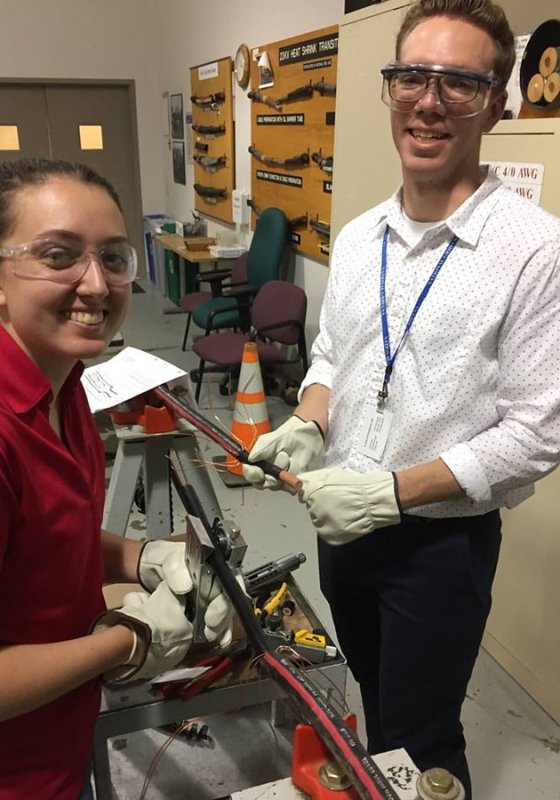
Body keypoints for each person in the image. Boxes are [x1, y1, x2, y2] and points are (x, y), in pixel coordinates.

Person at [244, 1, 560, 797]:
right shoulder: (358, 238)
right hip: (338, 527)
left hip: (437, 550)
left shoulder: (535, 249)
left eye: (459, 83)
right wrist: (309, 418)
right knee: (371, 704)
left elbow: (536, 433)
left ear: (498, 101)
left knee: (423, 736)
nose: (429, 101)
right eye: (412, 77)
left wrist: (390, 494)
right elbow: (333, 358)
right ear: (390, 89)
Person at [0, 158, 232, 800]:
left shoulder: (65, 391)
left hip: (61, 736)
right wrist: (130, 637)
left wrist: (144, 559)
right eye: (59, 256)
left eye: (114, 258)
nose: (96, 284)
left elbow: (43, 547)